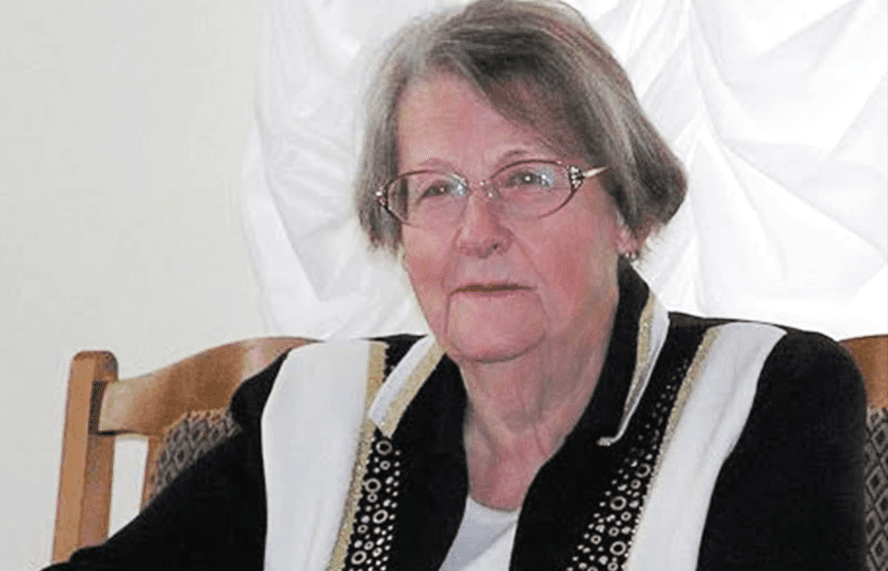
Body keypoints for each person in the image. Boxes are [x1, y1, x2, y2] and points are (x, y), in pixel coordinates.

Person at [47, 0, 864, 569]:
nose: (478, 232)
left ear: (629, 212)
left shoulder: (763, 399)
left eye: (528, 178)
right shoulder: (313, 409)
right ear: (395, 229)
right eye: (436, 188)